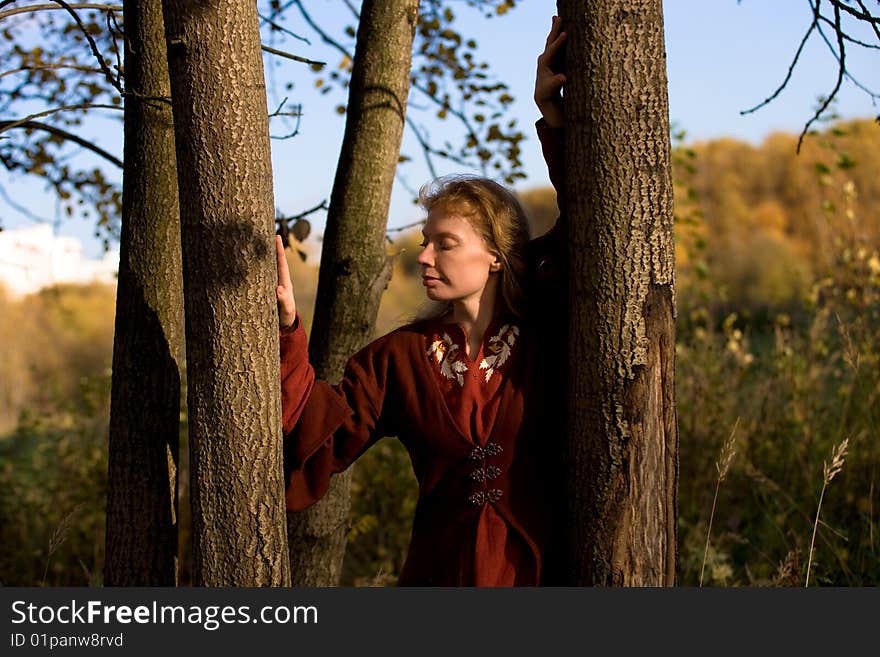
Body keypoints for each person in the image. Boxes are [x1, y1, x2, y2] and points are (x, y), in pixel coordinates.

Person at [275, 16, 568, 586]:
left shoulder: (550, 325)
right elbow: (320, 437)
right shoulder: (399, 359)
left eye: (445, 244)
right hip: (442, 577)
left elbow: (596, 218)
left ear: (497, 254)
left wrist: (553, 116)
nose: (424, 257)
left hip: (545, 574)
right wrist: (288, 328)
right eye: (424, 243)